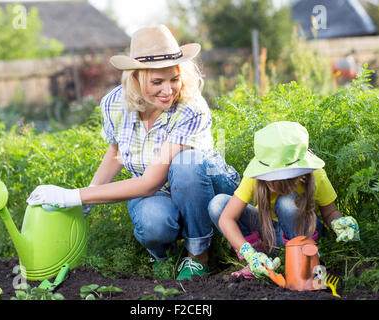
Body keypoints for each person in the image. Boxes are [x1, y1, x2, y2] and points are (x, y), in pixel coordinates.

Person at [26, 25, 240, 281]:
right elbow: (116, 151)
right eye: (157, 82)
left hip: (204, 189)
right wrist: (88, 200)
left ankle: (199, 256)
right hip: (157, 194)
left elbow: (150, 183)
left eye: (174, 78)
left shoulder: (191, 108)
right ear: (136, 78)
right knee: (153, 222)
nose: (168, 90)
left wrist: (75, 197)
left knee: (186, 164)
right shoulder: (114, 104)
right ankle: (163, 256)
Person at [208, 121, 360, 278]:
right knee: (217, 204)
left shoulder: (316, 175)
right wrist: (249, 254)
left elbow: (330, 212)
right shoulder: (254, 178)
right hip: (270, 235)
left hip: (303, 232)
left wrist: (339, 223)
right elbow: (226, 218)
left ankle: (304, 259)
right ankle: (261, 261)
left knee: (287, 201)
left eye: (289, 180)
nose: (282, 187)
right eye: (274, 181)